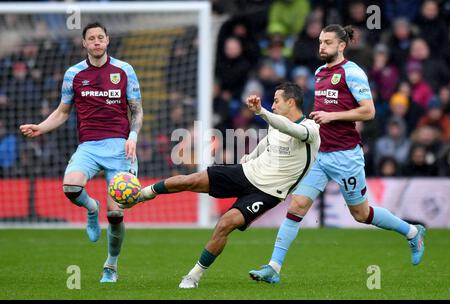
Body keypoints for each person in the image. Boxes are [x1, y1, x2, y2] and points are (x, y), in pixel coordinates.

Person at [249, 24, 426, 285]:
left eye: (328, 42)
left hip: (346, 156)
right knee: (297, 205)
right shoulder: (320, 73)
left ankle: (412, 232)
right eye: (320, 41)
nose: (322, 46)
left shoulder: (353, 73)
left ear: (342, 45)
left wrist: (333, 116)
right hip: (320, 153)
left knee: (361, 214)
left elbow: (369, 111)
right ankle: (274, 267)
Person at [121, 82, 320, 289]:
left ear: (291, 102)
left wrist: (260, 112)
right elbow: (269, 140)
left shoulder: (310, 129)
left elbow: (287, 128)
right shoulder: (275, 123)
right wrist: (250, 156)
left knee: (225, 224)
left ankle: (193, 276)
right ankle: (142, 194)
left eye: (277, 101)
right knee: (191, 180)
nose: (273, 105)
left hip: (267, 192)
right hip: (246, 172)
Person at [19, 22, 143, 283]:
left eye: (101, 37)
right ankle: (90, 208)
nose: (97, 42)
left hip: (120, 147)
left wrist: (132, 137)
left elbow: (137, 110)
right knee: (71, 188)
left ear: (107, 40)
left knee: (115, 214)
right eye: (91, 38)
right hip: (89, 146)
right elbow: (63, 112)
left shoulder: (124, 70)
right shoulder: (73, 74)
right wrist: (40, 128)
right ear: (84, 43)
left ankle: (110, 265)